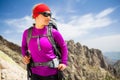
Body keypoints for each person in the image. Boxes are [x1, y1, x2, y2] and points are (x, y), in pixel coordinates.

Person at [21, 3, 68, 80]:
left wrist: (64, 62)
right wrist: (25, 56)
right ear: (36, 15)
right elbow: (24, 46)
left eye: (50, 15)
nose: (49, 17)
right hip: (34, 74)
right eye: (45, 14)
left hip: (52, 74)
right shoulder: (27, 33)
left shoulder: (53, 32)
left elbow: (63, 46)